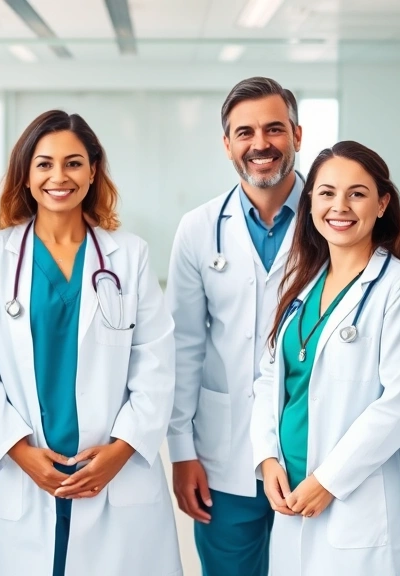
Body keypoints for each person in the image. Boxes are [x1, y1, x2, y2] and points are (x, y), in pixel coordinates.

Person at [0, 110, 181, 576]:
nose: (58, 177)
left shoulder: (130, 255)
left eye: (73, 163)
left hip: (113, 472)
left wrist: (119, 452)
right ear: (25, 174)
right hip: (26, 472)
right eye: (43, 164)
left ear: (93, 170)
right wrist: (21, 454)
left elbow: (156, 366)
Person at [250, 141, 400, 575]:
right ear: (311, 202)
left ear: (383, 203)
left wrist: (329, 480)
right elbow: (270, 380)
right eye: (326, 193)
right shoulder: (300, 284)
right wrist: (267, 457)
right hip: (290, 493)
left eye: (358, 193)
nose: (340, 206)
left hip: (359, 500)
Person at [165, 76, 302, 575]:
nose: (260, 144)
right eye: (245, 133)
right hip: (226, 455)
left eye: (274, 129)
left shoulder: (334, 219)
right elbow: (182, 346)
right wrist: (181, 452)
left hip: (309, 451)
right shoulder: (199, 228)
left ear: (297, 135)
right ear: (227, 145)